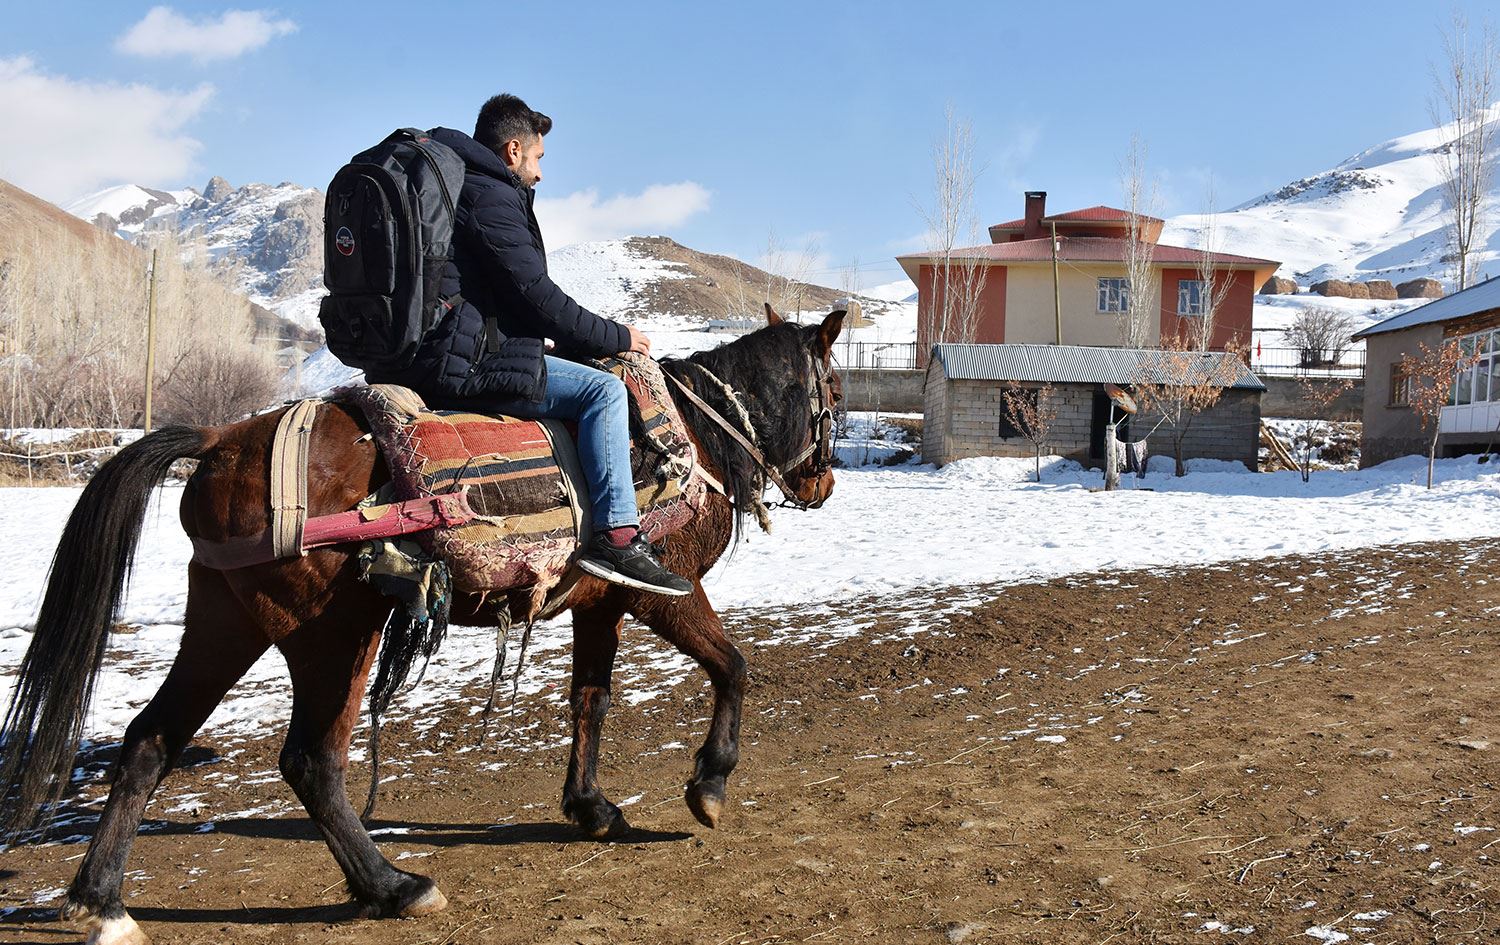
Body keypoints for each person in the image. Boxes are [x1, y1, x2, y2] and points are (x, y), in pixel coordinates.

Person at [371, 93, 691, 596]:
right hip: (463, 364)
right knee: (604, 393)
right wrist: (618, 336)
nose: (540, 173)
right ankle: (619, 538)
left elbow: (512, 300)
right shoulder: (489, 194)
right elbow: (538, 298)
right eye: (539, 158)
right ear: (514, 150)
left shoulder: (457, 186)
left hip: (424, 355)